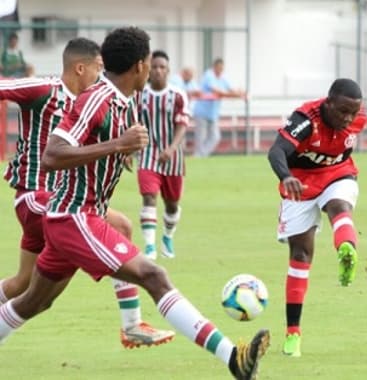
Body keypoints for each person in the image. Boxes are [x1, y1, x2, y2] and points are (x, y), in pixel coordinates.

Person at [0, 27, 269, 380]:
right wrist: (117, 146)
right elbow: (52, 155)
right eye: (149, 63)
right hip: (74, 217)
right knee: (153, 274)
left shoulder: (121, 101)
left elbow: (94, 147)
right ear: (140, 65)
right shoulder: (97, 98)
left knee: (33, 301)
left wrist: (115, 151)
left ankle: (138, 327)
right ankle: (233, 357)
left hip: (75, 216)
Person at [0, 37, 175, 348]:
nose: (104, 76)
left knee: (22, 286)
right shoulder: (44, 90)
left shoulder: (97, 101)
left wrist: (117, 151)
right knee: (119, 226)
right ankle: (132, 325)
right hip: (36, 196)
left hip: (61, 196)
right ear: (81, 68)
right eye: (99, 69)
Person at [267, 78, 365, 357]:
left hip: (338, 174)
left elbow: (347, 136)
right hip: (299, 183)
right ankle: (293, 334)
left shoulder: (358, 118)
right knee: (300, 255)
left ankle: (346, 248)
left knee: (339, 206)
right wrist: (286, 176)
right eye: (342, 111)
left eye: (353, 113)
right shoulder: (305, 120)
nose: (347, 118)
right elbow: (276, 151)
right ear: (328, 102)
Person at [136, 50, 190, 260]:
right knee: (149, 197)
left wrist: (171, 148)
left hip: (173, 157)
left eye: (162, 67)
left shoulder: (177, 95)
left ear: (168, 71)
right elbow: (133, 123)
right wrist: (126, 150)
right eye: (155, 67)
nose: (158, 71)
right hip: (148, 153)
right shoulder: (140, 95)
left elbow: (182, 124)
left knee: (172, 204)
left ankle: (167, 236)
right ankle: (149, 246)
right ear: (149, 70)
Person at [192, 58, 245, 156]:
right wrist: (236, 95)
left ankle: (201, 154)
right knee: (201, 137)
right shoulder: (208, 75)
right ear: (214, 67)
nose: (220, 71)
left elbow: (230, 89)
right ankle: (199, 156)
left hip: (213, 113)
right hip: (202, 111)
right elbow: (217, 91)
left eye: (222, 69)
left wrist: (239, 93)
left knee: (215, 137)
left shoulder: (222, 77)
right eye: (219, 68)